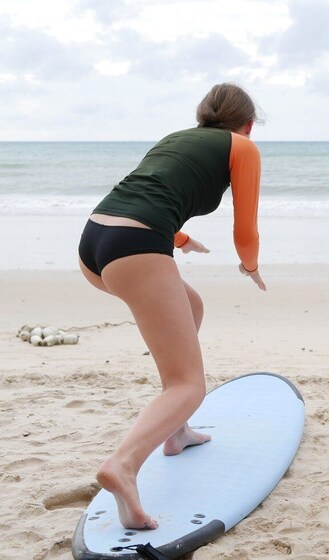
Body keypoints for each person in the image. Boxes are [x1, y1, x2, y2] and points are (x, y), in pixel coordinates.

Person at [77, 83, 266, 529]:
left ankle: (176, 432)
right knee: (187, 383)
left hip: (94, 241)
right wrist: (250, 265)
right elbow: (246, 227)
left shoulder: (176, 138)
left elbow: (149, 190)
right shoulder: (242, 147)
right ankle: (123, 465)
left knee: (191, 305)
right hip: (137, 246)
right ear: (249, 124)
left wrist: (180, 238)